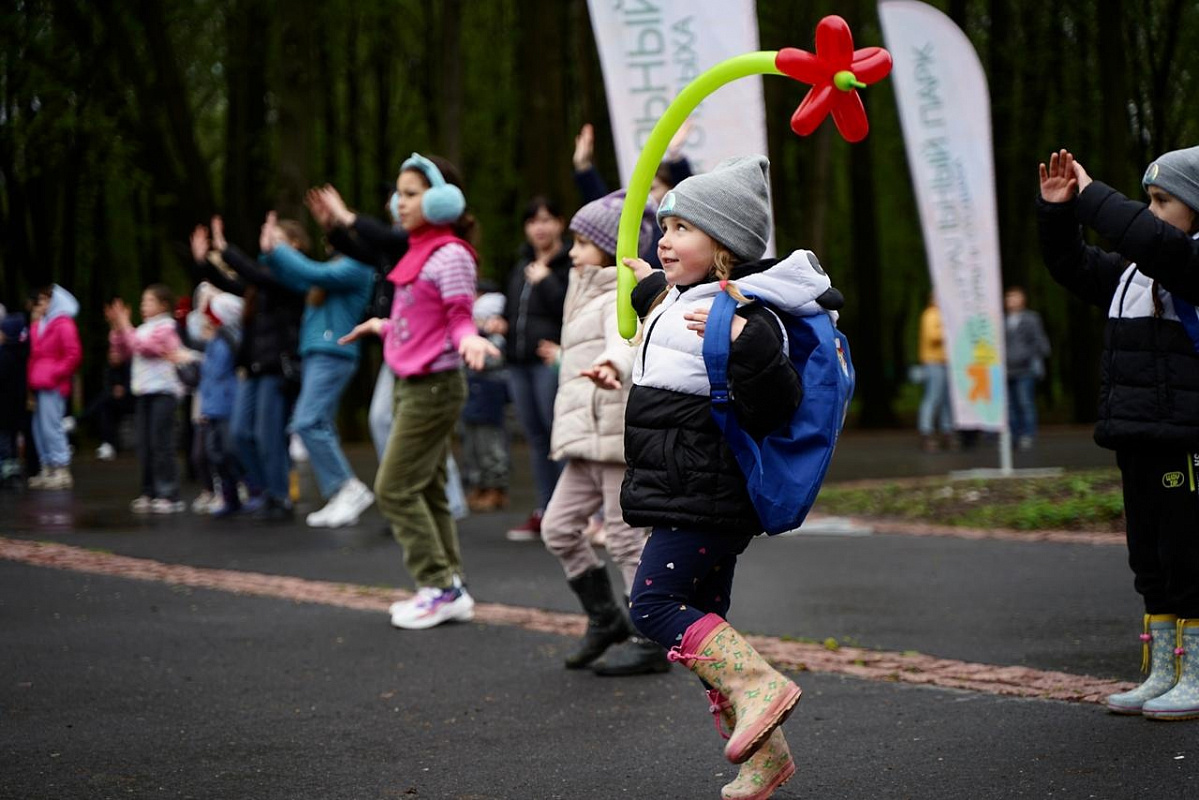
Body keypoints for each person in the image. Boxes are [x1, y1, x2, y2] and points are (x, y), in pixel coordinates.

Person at [620, 156, 837, 797]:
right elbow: (663, 316)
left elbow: (776, 400)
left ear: (724, 246)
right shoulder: (683, 297)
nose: (664, 238)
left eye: (684, 227)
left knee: (654, 604)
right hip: (690, 490)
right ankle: (767, 756)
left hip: (708, 494)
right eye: (664, 225)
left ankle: (759, 685)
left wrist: (744, 340)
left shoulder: (747, 311)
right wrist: (640, 284)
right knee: (706, 619)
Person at [1038, 147, 1199, 720]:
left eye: (1163, 201)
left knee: (1189, 557)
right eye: (1148, 200)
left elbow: (1155, 243)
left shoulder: (1189, 264)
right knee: (1149, 559)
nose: (1151, 212)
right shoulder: (1131, 274)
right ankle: (1163, 670)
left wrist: (1094, 195)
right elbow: (1071, 265)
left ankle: (1197, 673)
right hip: (1137, 436)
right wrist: (1059, 210)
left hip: (1185, 439)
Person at [338, 153, 500, 630]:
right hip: (413, 385)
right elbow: (421, 322)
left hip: (434, 387)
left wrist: (469, 338)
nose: (398, 202)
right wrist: (383, 325)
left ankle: (438, 587)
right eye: (399, 193)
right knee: (426, 488)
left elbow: (457, 317)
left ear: (442, 200)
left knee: (393, 488)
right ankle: (451, 583)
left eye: (411, 193)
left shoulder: (449, 255)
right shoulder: (419, 251)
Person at [537, 190, 671, 677]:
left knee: (625, 539)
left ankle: (649, 636)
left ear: (612, 248)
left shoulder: (620, 288)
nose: (572, 251)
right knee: (557, 528)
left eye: (582, 241)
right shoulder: (582, 287)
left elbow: (625, 339)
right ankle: (604, 617)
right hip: (583, 439)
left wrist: (611, 364)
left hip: (613, 436)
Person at [257, 211, 376, 528]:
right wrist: (269, 252)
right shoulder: (335, 268)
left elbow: (312, 272)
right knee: (319, 422)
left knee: (307, 421)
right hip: (319, 351)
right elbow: (293, 277)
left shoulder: (356, 266)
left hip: (332, 352)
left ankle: (348, 487)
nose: (328, 241)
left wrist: (279, 250)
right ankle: (340, 494)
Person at [194, 215, 306, 520]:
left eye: (279, 239)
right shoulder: (261, 282)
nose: (271, 243)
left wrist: (227, 250)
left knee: (268, 435)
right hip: (253, 367)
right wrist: (204, 262)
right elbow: (231, 283)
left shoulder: (291, 278)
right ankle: (265, 489)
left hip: (275, 367)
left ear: (294, 246)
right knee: (240, 435)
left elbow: (255, 275)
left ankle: (279, 497)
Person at [496, 197, 572, 540]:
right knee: (536, 439)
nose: (539, 228)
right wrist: (502, 324)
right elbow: (515, 311)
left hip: (549, 363)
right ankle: (546, 510)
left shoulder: (568, 263)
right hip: (518, 362)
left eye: (546, 219)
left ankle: (574, 515)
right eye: (533, 221)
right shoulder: (520, 264)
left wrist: (546, 280)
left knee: (559, 437)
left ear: (559, 222)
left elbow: (569, 308)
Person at [107, 284, 187, 513]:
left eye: (148, 301)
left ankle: (169, 493)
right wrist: (117, 327)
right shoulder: (142, 328)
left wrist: (125, 325)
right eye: (143, 302)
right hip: (143, 391)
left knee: (161, 443)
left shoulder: (168, 327)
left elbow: (145, 348)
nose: (143, 306)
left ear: (163, 305)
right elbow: (123, 350)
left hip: (163, 391)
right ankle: (148, 491)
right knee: (144, 444)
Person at [461, 281, 510, 512]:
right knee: (472, 445)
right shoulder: (472, 334)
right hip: (472, 398)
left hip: (489, 398)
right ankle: (479, 485)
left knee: (491, 445)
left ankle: (496, 488)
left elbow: (493, 360)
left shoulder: (494, 338)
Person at [27, 285, 82, 490]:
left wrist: (55, 373)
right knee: (39, 427)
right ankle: (47, 466)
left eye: (45, 300)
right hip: (39, 381)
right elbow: (35, 352)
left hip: (52, 383)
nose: (41, 304)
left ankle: (61, 467)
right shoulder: (42, 323)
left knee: (52, 426)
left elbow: (73, 354)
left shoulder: (63, 324)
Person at [1003, 286, 1051, 450]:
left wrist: (1027, 355)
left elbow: (1039, 342)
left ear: (1023, 299)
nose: (1011, 300)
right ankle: (1014, 435)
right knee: (1010, 405)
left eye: (1014, 297)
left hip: (1025, 369)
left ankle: (1028, 434)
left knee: (1025, 402)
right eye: (1008, 297)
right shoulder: (1003, 320)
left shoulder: (1031, 318)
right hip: (1007, 369)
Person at [916, 294, 953, 452]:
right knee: (933, 397)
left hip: (945, 361)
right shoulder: (931, 314)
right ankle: (927, 431)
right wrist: (950, 330)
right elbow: (933, 336)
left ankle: (947, 431)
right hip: (933, 362)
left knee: (946, 400)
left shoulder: (942, 314)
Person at [0, 305, 31, 486]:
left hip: (3, 408)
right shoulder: (22, 354)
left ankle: (7, 473)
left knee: (4, 441)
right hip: (17, 406)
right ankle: (13, 470)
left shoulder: (4, 356)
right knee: (12, 439)